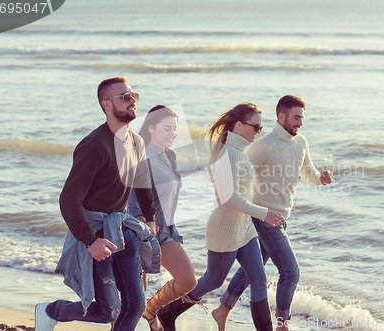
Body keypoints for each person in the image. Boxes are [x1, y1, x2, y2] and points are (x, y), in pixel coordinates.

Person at [34, 76, 159, 331]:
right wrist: (90, 241)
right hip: (97, 236)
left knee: (135, 306)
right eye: (125, 96)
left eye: (134, 95)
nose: (133, 100)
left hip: (124, 230)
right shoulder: (94, 146)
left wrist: (150, 217)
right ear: (107, 105)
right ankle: (51, 310)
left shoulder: (137, 142)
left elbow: (143, 183)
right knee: (107, 311)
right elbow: (69, 199)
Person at [157, 103, 285, 331]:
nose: (258, 132)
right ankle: (168, 313)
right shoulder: (227, 154)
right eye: (255, 127)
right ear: (238, 125)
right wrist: (264, 214)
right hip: (224, 231)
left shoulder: (240, 153)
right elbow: (229, 199)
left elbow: (244, 193)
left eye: (261, 127)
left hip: (245, 230)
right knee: (213, 280)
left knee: (259, 280)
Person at [211, 95, 334, 331]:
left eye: (302, 118)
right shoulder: (264, 145)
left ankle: (223, 308)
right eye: (296, 117)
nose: (300, 123)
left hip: (281, 217)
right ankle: (282, 324)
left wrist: (320, 179)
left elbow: (307, 172)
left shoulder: (301, 142)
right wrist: (244, 209)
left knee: (251, 271)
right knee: (291, 271)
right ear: (281, 117)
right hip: (263, 218)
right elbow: (239, 173)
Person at [127, 105, 197, 331]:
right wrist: (143, 222)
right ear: (151, 128)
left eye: (175, 129)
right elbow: (131, 196)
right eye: (167, 128)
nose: (172, 134)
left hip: (165, 231)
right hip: (142, 232)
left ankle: (152, 309)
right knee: (133, 295)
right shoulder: (141, 156)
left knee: (187, 281)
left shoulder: (169, 155)